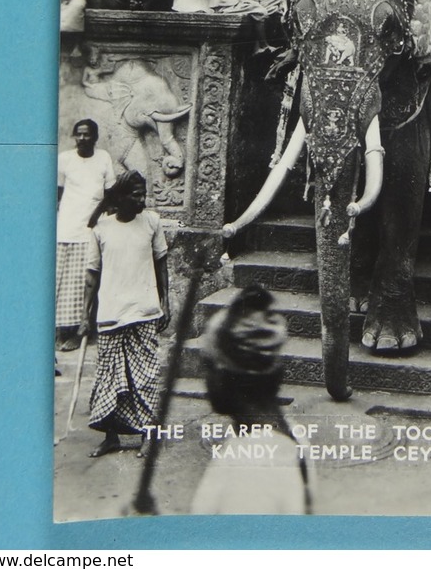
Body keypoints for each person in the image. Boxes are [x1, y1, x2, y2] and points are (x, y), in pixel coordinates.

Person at [190, 286, 312, 514]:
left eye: (207, 368)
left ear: (225, 374)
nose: (204, 380)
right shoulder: (290, 433)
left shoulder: (252, 469)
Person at [78, 170, 170, 459]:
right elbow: (92, 275)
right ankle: (111, 437)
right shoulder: (101, 229)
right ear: (119, 196)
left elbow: (162, 265)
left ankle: (147, 435)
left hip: (143, 310)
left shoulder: (152, 223)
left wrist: (166, 302)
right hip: (110, 312)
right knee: (109, 377)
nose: (141, 199)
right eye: (134, 193)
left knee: (144, 378)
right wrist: (84, 315)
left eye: (143, 193)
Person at [56, 120, 114, 351]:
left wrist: (95, 217)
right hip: (66, 226)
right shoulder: (65, 159)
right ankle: (62, 332)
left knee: (85, 282)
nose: (82, 139)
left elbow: (110, 195)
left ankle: (79, 332)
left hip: (90, 229)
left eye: (87, 135)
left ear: (95, 137)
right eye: (78, 135)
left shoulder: (103, 158)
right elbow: (58, 193)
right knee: (62, 280)